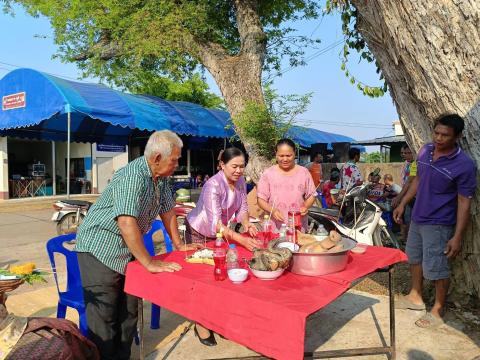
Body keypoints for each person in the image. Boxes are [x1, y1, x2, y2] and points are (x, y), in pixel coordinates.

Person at [74, 130, 200, 359]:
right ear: (157, 158)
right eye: (175, 159)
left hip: (126, 249)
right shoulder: (133, 175)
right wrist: (149, 262)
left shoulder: (161, 179)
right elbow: (125, 221)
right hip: (99, 247)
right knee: (104, 316)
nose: (177, 164)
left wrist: (179, 244)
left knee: (130, 312)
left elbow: (168, 210)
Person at [393, 114, 476, 328]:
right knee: (414, 258)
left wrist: (457, 236)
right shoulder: (425, 150)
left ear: (457, 136)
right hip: (418, 217)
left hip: (439, 223)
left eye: (445, 135)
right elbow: (418, 180)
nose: (438, 138)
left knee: (437, 267)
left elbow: (464, 202)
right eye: (436, 133)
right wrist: (403, 203)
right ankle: (415, 296)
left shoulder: (464, 165)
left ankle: (438, 310)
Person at [185, 147, 260, 346]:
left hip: (222, 233)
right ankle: (200, 323)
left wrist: (246, 224)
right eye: (234, 166)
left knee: (223, 275)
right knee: (202, 279)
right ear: (222, 165)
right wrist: (241, 239)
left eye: (242, 167)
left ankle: (217, 320)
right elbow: (216, 223)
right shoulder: (213, 185)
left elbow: (243, 207)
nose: (238, 171)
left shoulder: (242, 181)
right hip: (200, 231)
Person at [257, 139, 317, 231]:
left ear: (294, 154)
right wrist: (272, 210)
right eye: (281, 156)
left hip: (298, 225)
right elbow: (261, 199)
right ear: (276, 154)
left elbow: (312, 195)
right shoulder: (268, 174)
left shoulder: (303, 172)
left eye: (288, 155)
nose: (285, 159)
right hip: (275, 226)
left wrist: (305, 206)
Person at [391, 145, 417, 242]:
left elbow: (409, 182)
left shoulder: (416, 163)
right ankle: (407, 238)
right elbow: (406, 182)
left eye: (407, 153)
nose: (404, 155)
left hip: (415, 197)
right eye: (403, 153)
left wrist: (399, 197)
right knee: (407, 217)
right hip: (408, 196)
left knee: (410, 218)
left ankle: (410, 238)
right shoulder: (408, 164)